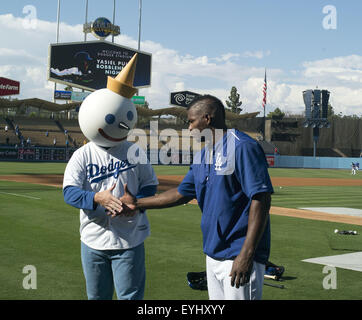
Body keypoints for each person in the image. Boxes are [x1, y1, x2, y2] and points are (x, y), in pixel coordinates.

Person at [118, 94, 274, 300]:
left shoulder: (242, 147)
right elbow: (181, 193)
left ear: (207, 119)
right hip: (213, 253)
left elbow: (261, 199)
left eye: (191, 121)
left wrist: (246, 254)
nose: (189, 128)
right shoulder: (203, 154)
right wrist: (137, 203)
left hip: (238, 253)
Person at [63, 53, 159, 300]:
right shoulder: (82, 155)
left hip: (130, 239)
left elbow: (150, 185)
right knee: (97, 297)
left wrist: (135, 202)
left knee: (131, 297)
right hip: (93, 239)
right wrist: (97, 198)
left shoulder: (134, 151)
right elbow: (69, 192)